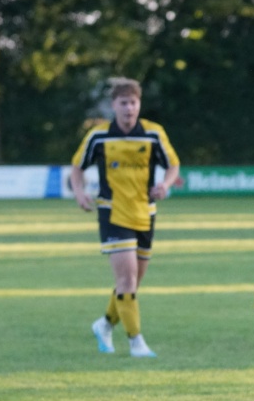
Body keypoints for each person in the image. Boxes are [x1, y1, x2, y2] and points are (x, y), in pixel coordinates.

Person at [70, 78, 180, 358]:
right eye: (123, 103)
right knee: (127, 281)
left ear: (139, 104)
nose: (129, 108)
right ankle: (136, 342)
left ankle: (104, 324)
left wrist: (165, 185)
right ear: (113, 106)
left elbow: (173, 165)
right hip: (112, 212)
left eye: (133, 102)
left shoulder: (153, 134)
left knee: (129, 284)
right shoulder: (99, 136)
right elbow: (77, 166)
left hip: (145, 212)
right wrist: (80, 192)